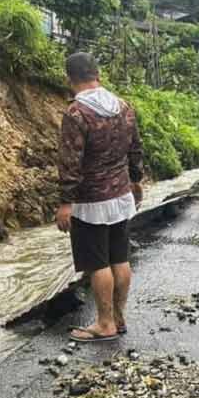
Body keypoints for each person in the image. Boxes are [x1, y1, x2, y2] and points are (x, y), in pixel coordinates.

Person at [56, 52, 144, 343]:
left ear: (70, 80)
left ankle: (104, 323)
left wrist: (66, 202)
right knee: (119, 257)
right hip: (120, 195)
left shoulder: (76, 114)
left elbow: (70, 161)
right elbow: (135, 148)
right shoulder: (124, 106)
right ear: (98, 76)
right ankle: (119, 317)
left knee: (97, 263)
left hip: (90, 202)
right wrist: (136, 179)